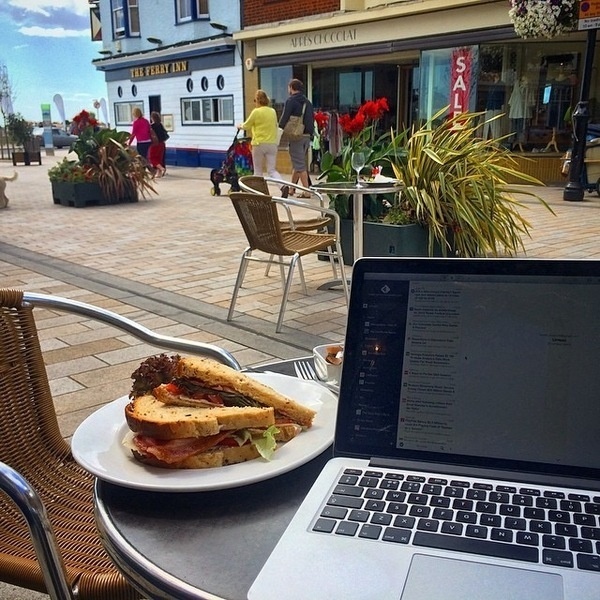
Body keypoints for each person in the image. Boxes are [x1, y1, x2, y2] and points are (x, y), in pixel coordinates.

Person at [279, 78, 314, 196]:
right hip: (307, 136)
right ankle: (291, 189)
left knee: (300, 166)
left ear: (291, 88)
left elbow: (284, 118)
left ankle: (307, 191)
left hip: (296, 136)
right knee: (297, 163)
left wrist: (279, 131)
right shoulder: (308, 102)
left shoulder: (291, 101)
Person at [237, 89, 281, 180]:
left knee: (258, 171)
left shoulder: (256, 112)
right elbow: (275, 125)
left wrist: (239, 126)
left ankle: (259, 188)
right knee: (272, 170)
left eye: (255, 100)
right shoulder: (273, 111)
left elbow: (246, 126)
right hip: (272, 144)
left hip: (259, 144)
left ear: (257, 100)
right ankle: (282, 186)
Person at [148, 111, 169, 177]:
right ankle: (158, 173)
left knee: (152, 158)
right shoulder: (160, 125)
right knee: (159, 158)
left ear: (152, 118)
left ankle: (162, 169)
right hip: (162, 144)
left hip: (155, 144)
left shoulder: (151, 126)